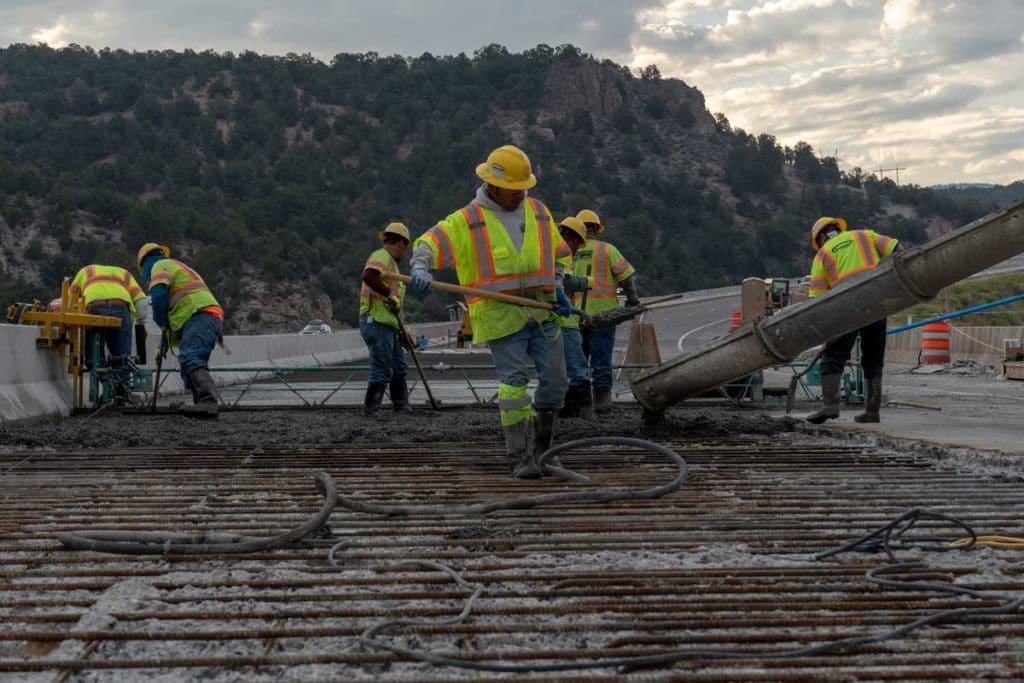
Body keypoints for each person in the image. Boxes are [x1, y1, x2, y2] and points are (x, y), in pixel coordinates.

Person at [409, 144, 573, 479]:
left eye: (524, 188)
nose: (520, 195)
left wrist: (558, 284)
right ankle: (521, 456)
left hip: (542, 313)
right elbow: (429, 242)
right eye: (514, 189)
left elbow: (561, 253)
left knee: (556, 382)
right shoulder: (468, 220)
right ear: (493, 185)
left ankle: (546, 451)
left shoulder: (539, 212)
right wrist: (420, 268)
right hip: (502, 318)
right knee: (514, 385)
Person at [805, 217, 900, 424]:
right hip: (877, 300)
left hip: (845, 308)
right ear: (838, 228)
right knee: (873, 358)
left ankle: (830, 406)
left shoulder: (822, 254)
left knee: (833, 356)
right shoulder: (865, 235)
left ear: (821, 237)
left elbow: (816, 300)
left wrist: (824, 331)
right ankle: (872, 411)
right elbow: (897, 248)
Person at [136, 243, 224, 417]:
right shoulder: (178, 266)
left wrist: (160, 322)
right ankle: (201, 405)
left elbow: (159, 298)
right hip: (203, 314)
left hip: (199, 313)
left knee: (192, 356)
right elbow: (174, 317)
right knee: (187, 358)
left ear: (145, 263)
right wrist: (164, 344)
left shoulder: (159, 267)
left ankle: (208, 400)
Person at [574, 209, 640, 413]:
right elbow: (626, 278)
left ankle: (580, 402)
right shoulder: (607, 250)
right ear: (596, 229)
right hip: (603, 317)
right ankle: (602, 401)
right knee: (601, 358)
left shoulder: (569, 251)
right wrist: (632, 301)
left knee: (578, 361)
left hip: (575, 317)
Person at [359, 222, 412, 415]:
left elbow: (395, 307)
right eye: (404, 248)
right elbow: (368, 276)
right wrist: (389, 293)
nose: (404, 252)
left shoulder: (393, 267)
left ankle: (401, 405)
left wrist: (403, 332)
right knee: (382, 367)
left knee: (399, 367)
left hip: (389, 325)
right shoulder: (382, 256)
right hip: (376, 322)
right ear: (400, 244)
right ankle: (372, 409)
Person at [555, 216, 596, 421]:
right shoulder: (562, 254)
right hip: (564, 322)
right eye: (577, 245)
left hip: (560, 321)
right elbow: (568, 282)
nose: (577, 250)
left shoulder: (552, 251)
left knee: (566, 368)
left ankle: (575, 411)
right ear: (572, 239)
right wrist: (585, 282)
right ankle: (578, 410)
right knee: (574, 367)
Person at [68, 264, 146, 361]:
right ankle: (122, 372)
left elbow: (69, 299)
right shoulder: (124, 273)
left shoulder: (86, 271)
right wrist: (141, 325)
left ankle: (98, 370)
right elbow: (141, 300)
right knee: (122, 359)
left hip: (95, 309)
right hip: (120, 309)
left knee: (95, 358)